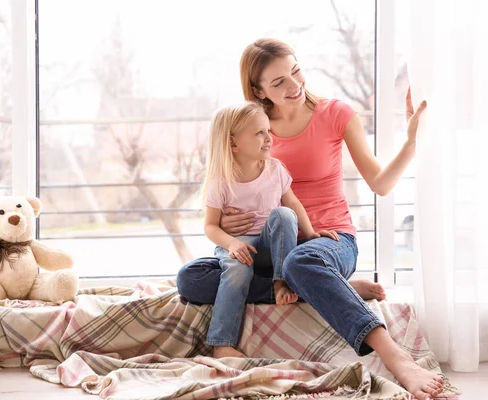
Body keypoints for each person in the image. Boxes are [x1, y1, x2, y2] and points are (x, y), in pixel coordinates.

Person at [177, 38, 443, 400]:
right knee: (191, 279)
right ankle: (325, 286)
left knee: (302, 260)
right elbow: (228, 183)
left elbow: (381, 184)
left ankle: (395, 357)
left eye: (296, 71)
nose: (294, 85)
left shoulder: (335, 114)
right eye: (278, 82)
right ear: (258, 90)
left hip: (328, 241)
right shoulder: (252, 126)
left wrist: (411, 142)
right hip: (270, 246)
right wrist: (226, 226)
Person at [203, 101, 340, 358]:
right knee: (231, 271)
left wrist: (309, 234)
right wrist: (232, 244)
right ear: (233, 143)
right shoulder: (220, 181)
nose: (269, 138)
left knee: (283, 214)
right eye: (259, 133)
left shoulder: (275, 169)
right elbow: (210, 226)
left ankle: (281, 283)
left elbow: (293, 203)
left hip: (271, 248)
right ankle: (222, 344)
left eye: (268, 130)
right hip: (240, 247)